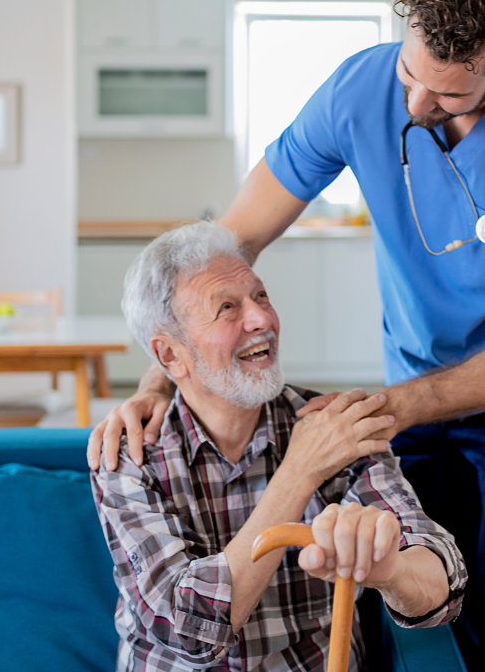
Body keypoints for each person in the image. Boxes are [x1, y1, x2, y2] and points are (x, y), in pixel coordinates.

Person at [90, 0, 485, 672]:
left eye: (449, 94)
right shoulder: (357, 90)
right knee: (391, 590)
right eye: (410, 74)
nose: (414, 104)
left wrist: (395, 407)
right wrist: (160, 378)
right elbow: (234, 237)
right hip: (411, 376)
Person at [92, 221, 466, 671]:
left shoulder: (333, 426)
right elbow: (187, 635)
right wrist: (298, 473)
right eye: (227, 307)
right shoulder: (130, 456)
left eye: (261, 296)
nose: (261, 319)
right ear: (170, 355)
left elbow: (442, 584)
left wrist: (391, 571)